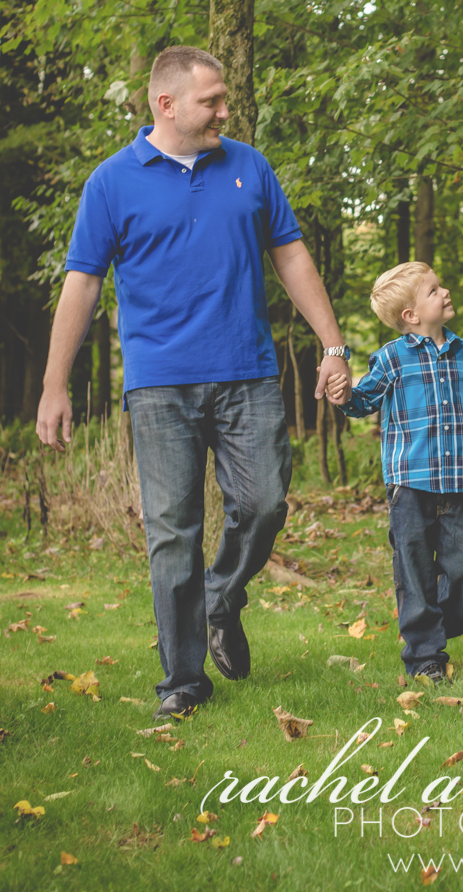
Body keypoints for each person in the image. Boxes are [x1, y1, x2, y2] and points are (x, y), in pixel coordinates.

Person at [35, 47, 351, 719]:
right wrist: (53, 385)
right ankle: (182, 681)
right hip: (160, 384)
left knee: (265, 503)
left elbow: (290, 254)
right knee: (173, 529)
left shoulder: (248, 166)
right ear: (166, 104)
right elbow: (83, 283)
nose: (225, 112)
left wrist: (332, 344)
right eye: (212, 101)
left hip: (248, 372)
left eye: (223, 100)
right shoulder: (111, 182)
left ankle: (220, 598)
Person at [330, 261, 463, 682]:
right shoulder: (392, 358)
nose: (444, 293)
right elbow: (363, 402)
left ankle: (444, 620)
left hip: (460, 483)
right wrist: (343, 394)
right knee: (414, 570)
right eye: (433, 290)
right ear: (411, 315)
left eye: (439, 287)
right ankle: (425, 656)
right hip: (408, 485)